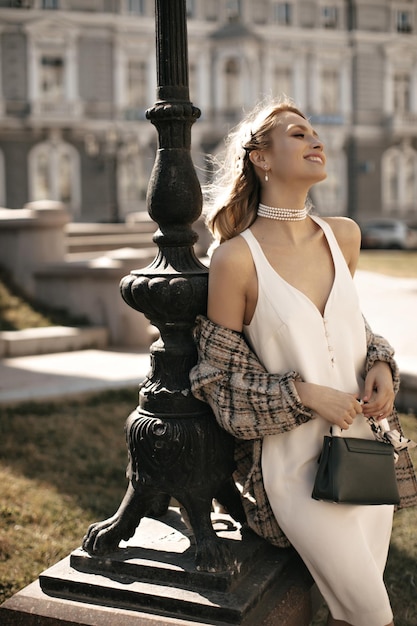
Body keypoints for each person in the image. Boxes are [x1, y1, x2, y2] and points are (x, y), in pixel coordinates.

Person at [189, 97, 417, 626]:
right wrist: (305, 394)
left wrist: (379, 363)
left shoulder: (344, 235)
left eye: (314, 131)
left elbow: (346, 329)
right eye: (297, 133)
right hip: (296, 470)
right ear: (261, 159)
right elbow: (218, 380)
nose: (316, 139)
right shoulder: (235, 258)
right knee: (372, 613)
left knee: (347, 609)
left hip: (364, 454)